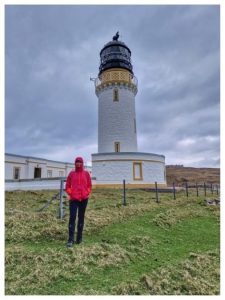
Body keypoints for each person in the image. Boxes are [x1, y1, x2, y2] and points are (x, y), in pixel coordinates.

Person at [65, 156, 92, 247]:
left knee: (81, 218)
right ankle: (70, 239)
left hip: (84, 199)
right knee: (72, 217)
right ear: (75, 163)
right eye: (77, 162)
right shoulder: (72, 174)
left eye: (80, 162)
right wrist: (71, 193)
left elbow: (89, 185)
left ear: (82, 163)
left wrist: (87, 192)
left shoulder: (86, 174)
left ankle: (79, 239)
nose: (78, 163)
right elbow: (67, 186)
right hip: (74, 199)